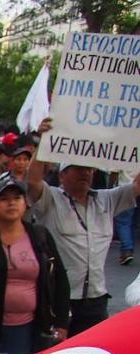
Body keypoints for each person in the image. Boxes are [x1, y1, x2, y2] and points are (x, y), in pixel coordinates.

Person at [26, 117, 140, 336]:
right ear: (62, 175)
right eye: (78, 168)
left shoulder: (106, 199)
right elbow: (32, 182)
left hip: (96, 300)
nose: (85, 173)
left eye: (89, 169)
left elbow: (136, 186)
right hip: (61, 300)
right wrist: (43, 141)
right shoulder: (52, 199)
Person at [0, 175, 70, 354]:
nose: (11, 203)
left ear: (25, 204)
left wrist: (62, 323)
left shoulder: (40, 236)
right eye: (4, 199)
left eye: (17, 198)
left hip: (28, 329)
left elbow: (60, 279)